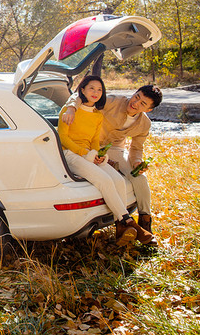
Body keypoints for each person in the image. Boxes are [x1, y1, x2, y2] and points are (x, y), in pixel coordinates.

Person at [57, 75, 152, 247]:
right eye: (137, 96)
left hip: (96, 151)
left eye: (99, 90)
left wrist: (97, 154)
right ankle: (128, 222)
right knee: (106, 180)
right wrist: (71, 107)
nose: (136, 102)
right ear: (83, 90)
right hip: (72, 153)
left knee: (118, 181)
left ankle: (124, 226)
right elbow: (63, 138)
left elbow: (96, 140)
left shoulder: (97, 116)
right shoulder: (70, 110)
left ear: (148, 109)